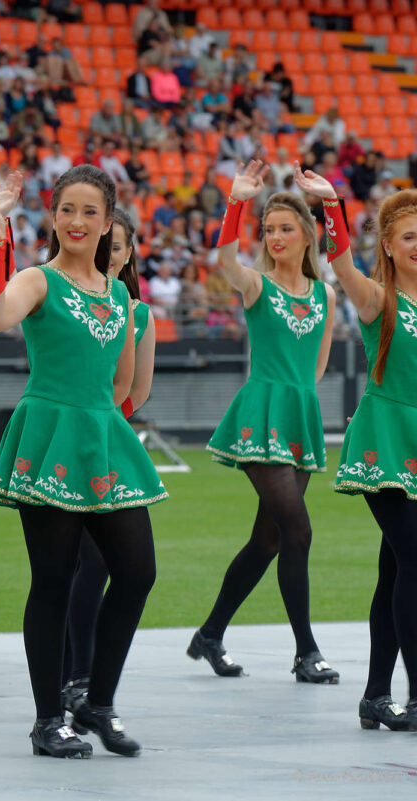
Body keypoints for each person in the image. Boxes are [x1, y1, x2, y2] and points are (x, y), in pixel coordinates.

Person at [0, 165, 166, 758]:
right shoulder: (38, 280)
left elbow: (125, 380)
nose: (77, 222)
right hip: (49, 435)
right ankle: (49, 718)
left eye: (90, 212)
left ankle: (96, 702)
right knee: (52, 581)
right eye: (67, 210)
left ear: (108, 224)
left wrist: (103, 428)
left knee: (137, 572)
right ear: (54, 216)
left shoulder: (120, 293)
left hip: (101, 436)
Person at [189, 161, 340, 685]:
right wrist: (238, 202)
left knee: (270, 539)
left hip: (298, 415)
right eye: (269, 228)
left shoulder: (325, 295)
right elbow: (225, 257)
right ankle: (306, 650)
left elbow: (317, 368)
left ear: (306, 235)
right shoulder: (255, 285)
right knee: (297, 530)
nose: (275, 236)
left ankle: (209, 634)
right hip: (260, 418)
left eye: (285, 228)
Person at [325, 182, 417, 731]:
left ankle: (375, 696)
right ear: (387, 244)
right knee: (415, 562)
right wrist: (332, 206)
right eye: (409, 237)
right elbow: (339, 263)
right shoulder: (377, 300)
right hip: (383, 444)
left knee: (395, 571)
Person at [58, 206, 157, 715]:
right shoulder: (62, 292)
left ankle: (85, 680)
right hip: (66, 437)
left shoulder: (137, 311)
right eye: (103, 244)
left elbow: (136, 392)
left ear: (128, 250)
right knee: (70, 567)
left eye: (116, 246)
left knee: (102, 565)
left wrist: (107, 418)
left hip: (110, 442)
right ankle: (73, 675)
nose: (106, 253)